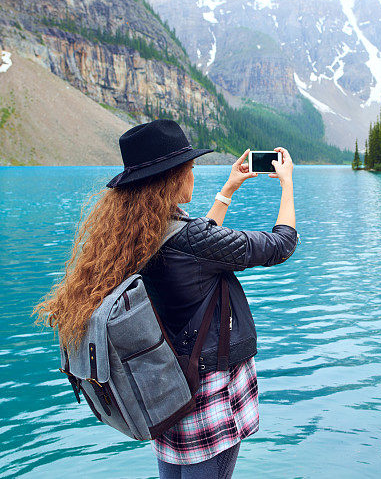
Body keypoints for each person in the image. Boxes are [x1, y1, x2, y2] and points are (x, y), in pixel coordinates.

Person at [34, 119, 298, 479]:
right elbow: (281, 244)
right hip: (207, 399)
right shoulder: (189, 241)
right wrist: (287, 185)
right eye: (189, 167)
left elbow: (196, 250)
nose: (193, 174)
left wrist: (228, 191)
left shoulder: (132, 236)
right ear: (172, 177)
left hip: (166, 393)